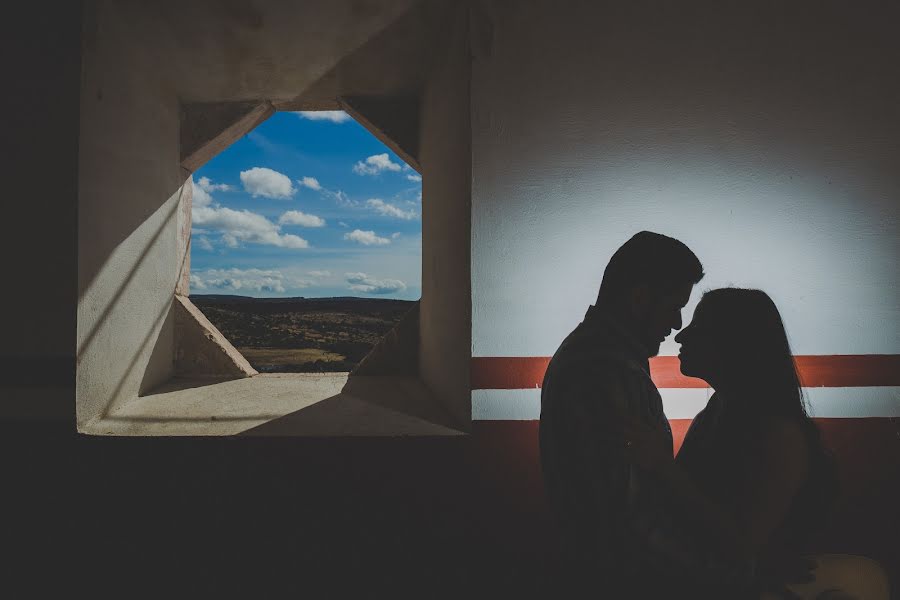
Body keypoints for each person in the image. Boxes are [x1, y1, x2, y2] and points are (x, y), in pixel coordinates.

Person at [622, 288, 839, 598]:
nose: (681, 335)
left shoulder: (781, 435)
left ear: (734, 343)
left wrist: (663, 467)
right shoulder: (717, 411)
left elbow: (742, 544)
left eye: (699, 328)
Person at [538, 231, 704, 596]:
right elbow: (624, 517)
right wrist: (716, 572)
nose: (676, 324)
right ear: (640, 298)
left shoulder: (594, 355)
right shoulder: (608, 371)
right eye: (674, 306)